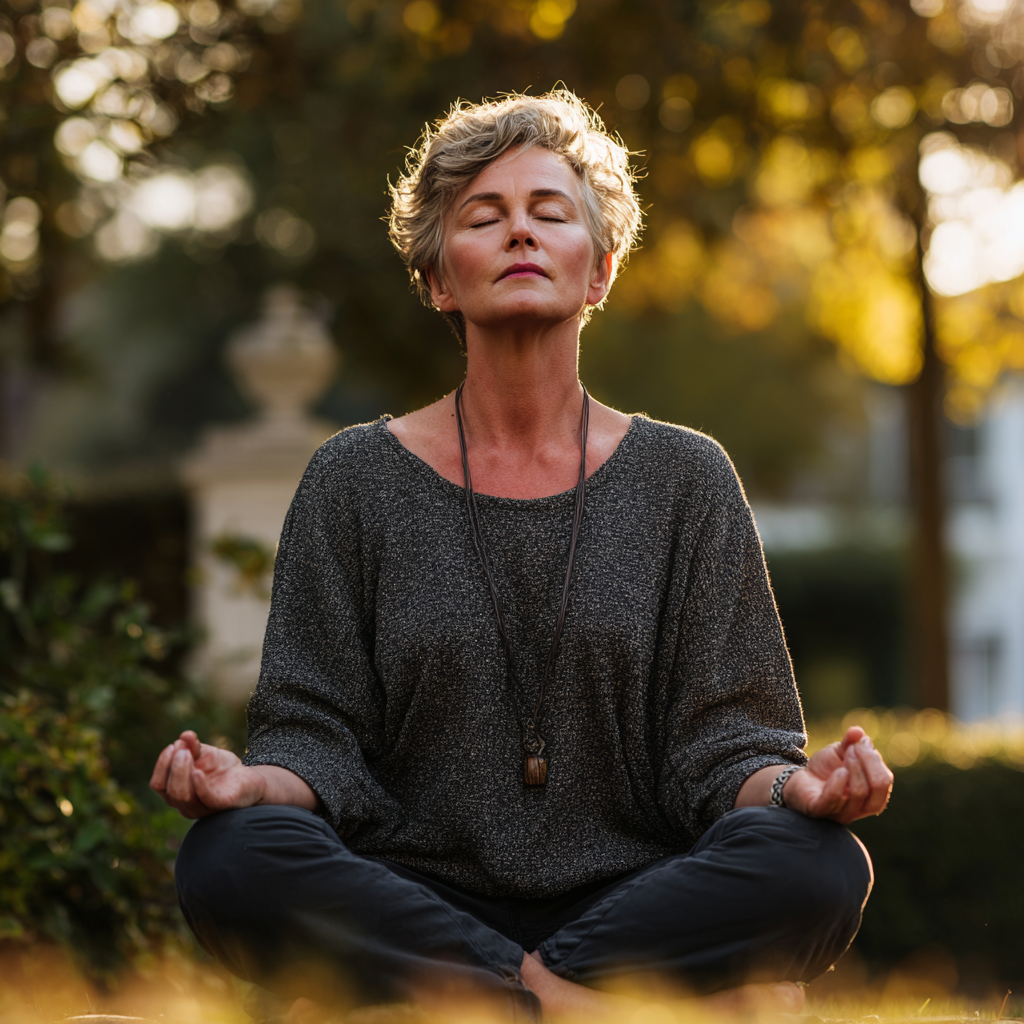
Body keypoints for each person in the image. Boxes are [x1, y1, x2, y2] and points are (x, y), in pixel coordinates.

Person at [151, 91, 893, 1023]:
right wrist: (247, 783)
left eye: (550, 214)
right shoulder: (351, 479)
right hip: (414, 900)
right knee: (228, 858)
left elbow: (727, 748)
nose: (520, 236)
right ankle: (552, 1000)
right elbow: (315, 740)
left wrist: (800, 786)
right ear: (437, 280)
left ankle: (499, 997)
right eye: (483, 217)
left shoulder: (686, 477)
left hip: (635, 903)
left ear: (600, 272)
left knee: (820, 864)